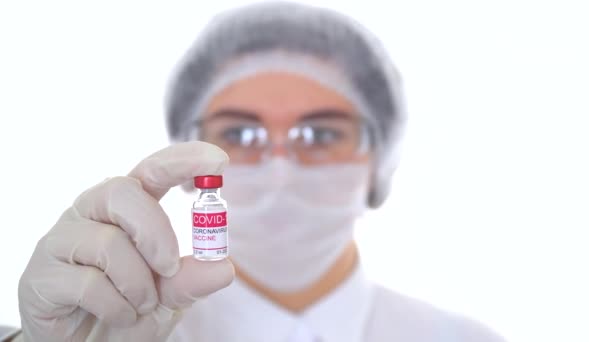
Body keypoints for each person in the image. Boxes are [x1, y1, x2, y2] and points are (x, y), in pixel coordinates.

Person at [12, 2, 506, 341]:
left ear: (380, 161)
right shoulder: (116, 329)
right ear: (192, 161)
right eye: (242, 135)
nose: (280, 169)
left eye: (320, 135)